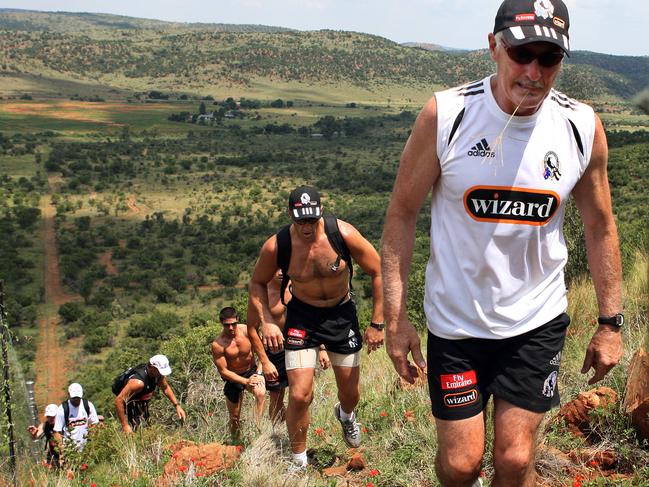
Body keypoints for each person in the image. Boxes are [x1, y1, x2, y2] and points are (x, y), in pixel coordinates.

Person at [381, 1, 624, 486]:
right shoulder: (447, 114)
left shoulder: (579, 127)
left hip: (535, 320)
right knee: (460, 465)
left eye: (549, 57)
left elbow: (600, 225)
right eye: (521, 53)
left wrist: (610, 322)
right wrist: (395, 318)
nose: (534, 71)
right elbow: (402, 213)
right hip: (456, 325)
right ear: (493, 46)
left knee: (514, 460)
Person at [248, 185, 384, 470]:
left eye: (312, 219)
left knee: (350, 393)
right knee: (299, 394)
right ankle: (298, 462)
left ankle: (346, 416)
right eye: (301, 221)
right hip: (301, 318)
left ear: (321, 211)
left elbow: (377, 270)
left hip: (341, 315)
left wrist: (377, 323)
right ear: (290, 215)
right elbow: (258, 282)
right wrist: (269, 322)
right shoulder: (278, 246)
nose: (307, 226)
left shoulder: (342, 234)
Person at [247, 270, 331, 424]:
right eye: (276, 268)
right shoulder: (261, 295)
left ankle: (296, 428)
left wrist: (322, 348)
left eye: (283, 267)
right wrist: (265, 362)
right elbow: (251, 329)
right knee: (276, 396)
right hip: (275, 350)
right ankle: (279, 435)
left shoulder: (300, 288)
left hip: (301, 344)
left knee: (306, 394)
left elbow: (313, 319)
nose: (280, 272)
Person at [211, 306, 266, 438]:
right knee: (234, 417)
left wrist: (258, 373)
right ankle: (236, 443)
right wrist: (245, 381)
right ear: (222, 323)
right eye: (227, 325)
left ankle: (258, 430)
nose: (231, 328)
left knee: (260, 393)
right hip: (233, 377)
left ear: (238, 320)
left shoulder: (247, 331)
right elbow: (223, 371)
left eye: (233, 324)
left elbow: (262, 351)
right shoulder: (218, 344)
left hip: (251, 371)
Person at [114, 354, 186, 433]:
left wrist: (177, 406)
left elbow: (165, 388)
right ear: (152, 367)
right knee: (132, 432)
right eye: (159, 371)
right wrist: (125, 425)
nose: (162, 374)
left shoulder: (157, 375)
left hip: (141, 403)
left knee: (146, 430)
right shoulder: (138, 383)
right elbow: (118, 401)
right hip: (128, 407)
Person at [53, 383, 99, 460]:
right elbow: (57, 431)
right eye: (74, 397)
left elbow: (94, 424)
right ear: (69, 395)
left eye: (78, 397)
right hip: (69, 450)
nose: (76, 399)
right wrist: (62, 451)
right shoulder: (63, 409)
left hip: (86, 449)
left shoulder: (88, 405)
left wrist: (92, 444)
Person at [28, 403, 60, 467]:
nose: (50, 418)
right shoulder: (45, 425)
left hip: (65, 452)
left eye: (53, 416)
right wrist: (33, 434)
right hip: (53, 453)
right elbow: (35, 436)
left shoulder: (64, 424)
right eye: (48, 416)